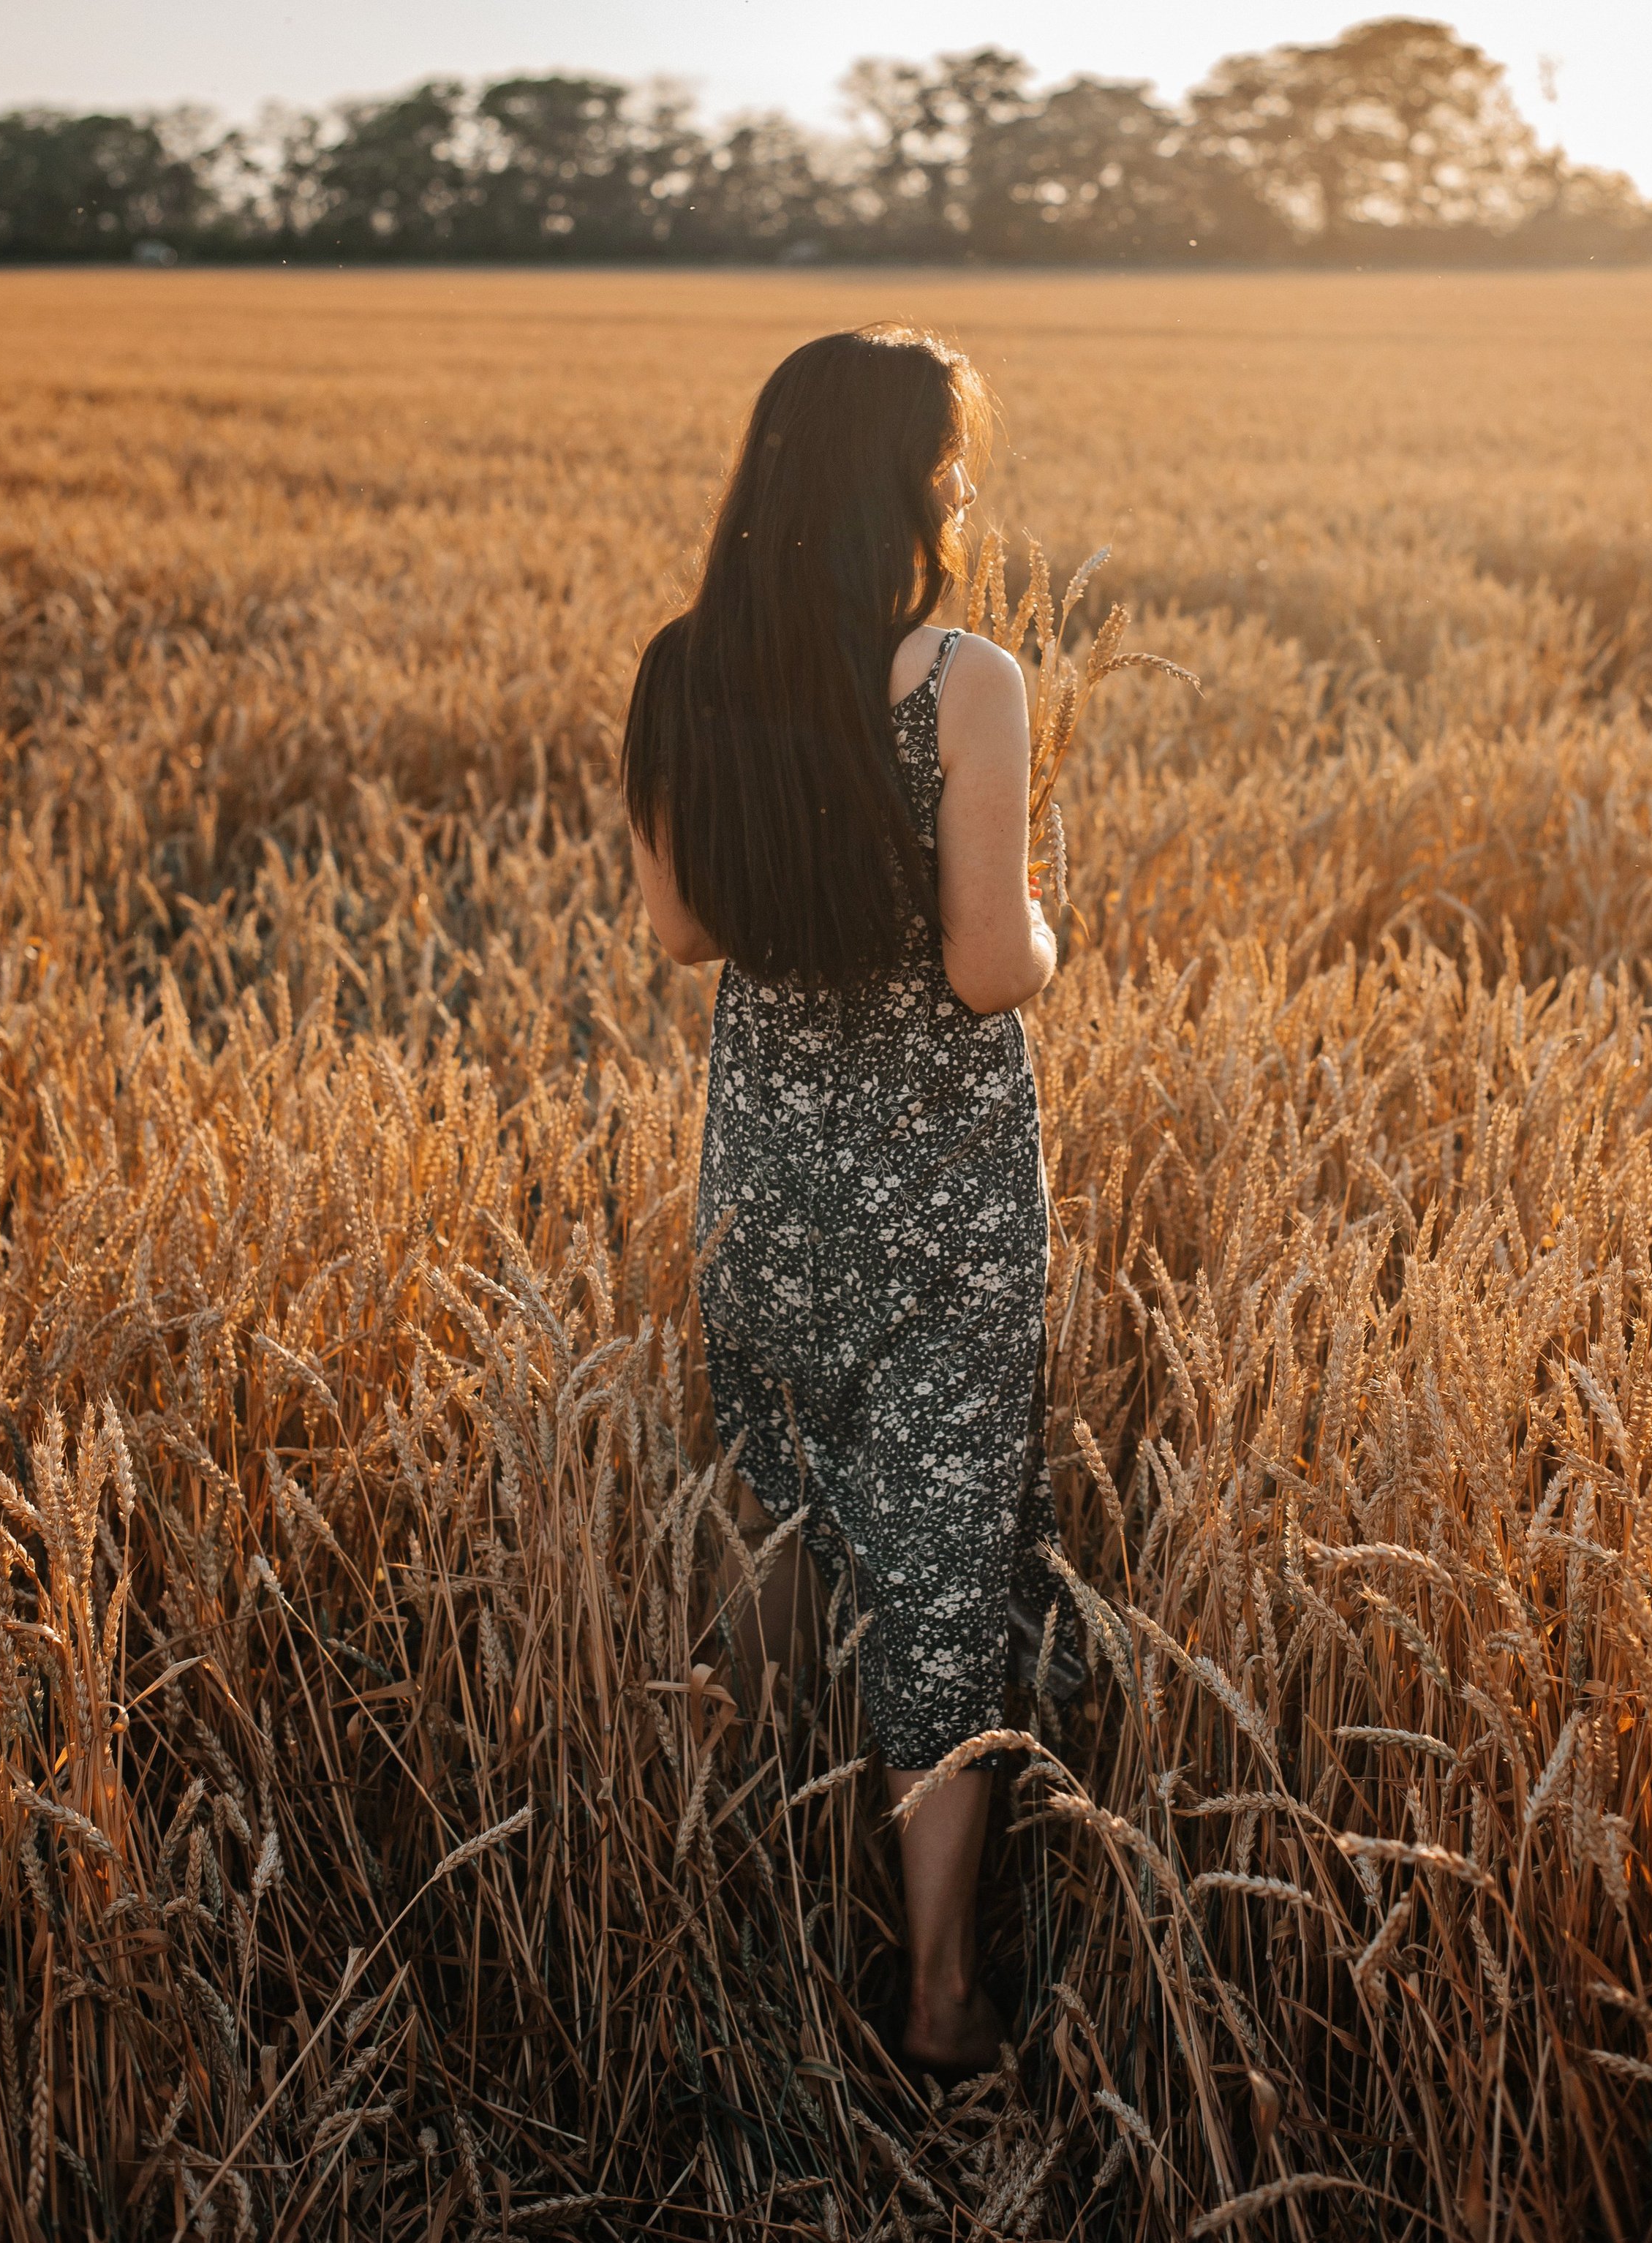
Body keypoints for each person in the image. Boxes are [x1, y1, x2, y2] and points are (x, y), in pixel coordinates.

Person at [622, 323, 1065, 2081]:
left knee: (777, 1539)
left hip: (770, 1178)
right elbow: (982, 970)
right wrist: (1049, 930)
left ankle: (771, 1910)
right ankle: (942, 1992)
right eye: (951, 451)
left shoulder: (680, 670)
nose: (964, 479)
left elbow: (679, 938)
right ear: (907, 474)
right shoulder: (965, 675)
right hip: (945, 1193)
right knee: (943, 1577)